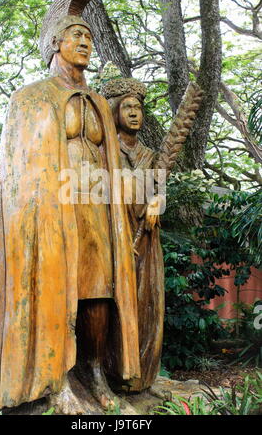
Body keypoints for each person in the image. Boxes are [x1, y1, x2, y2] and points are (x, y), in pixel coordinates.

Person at [0, 0, 140, 415]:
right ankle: (57, 383)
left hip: (96, 211)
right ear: (56, 43)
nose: (86, 43)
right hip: (54, 213)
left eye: (89, 37)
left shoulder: (97, 102)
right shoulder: (30, 98)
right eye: (78, 36)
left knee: (100, 295)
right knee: (57, 291)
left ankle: (93, 373)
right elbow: (20, 170)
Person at [102, 77, 203, 391]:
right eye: (127, 107)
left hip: (147, 240)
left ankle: (142, 379)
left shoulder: (148, 155)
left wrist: (157, 201)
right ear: (114, 111)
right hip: (114, 239)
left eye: (138, 107)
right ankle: (113, 375)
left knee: (148, 304)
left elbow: (158, 189)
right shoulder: (103, 151)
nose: (134, 113)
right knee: (114, 309)